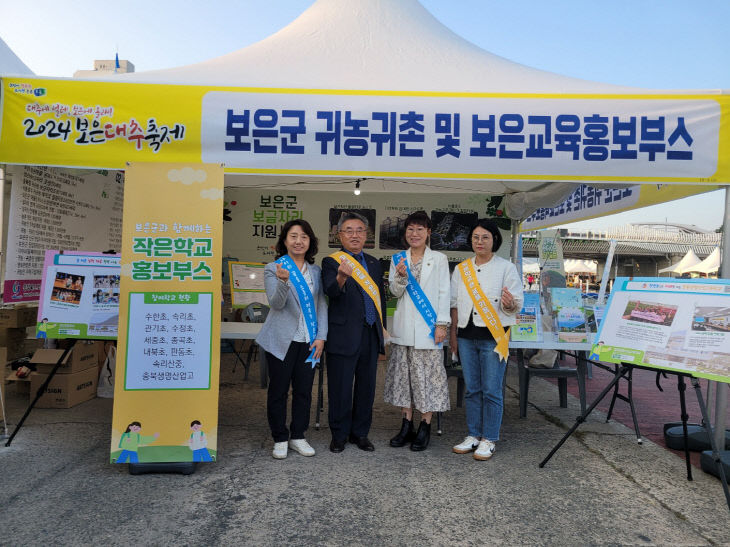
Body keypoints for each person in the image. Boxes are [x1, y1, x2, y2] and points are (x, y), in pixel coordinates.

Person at [449, 219, 523, 461]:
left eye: (485, 237)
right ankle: (473, 435)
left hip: (493, 337)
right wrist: (453, 337)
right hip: (466, 336)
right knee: (472, 389)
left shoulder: (506, 268)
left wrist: (510, 304)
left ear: (495, 241)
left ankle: (489, 438)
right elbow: (454, 305)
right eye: (476, 237)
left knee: (491, 390)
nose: (479, 242)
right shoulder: (461, 270)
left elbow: (516, 304)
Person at [256, 219, 327, 459]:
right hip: (281, 341)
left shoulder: (315, 271)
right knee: (278, 391)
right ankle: (279, 437)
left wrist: (321, 337)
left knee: (304, 391)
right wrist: (284, 282)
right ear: (285, 240)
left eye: (304, 237)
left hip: (309, 341)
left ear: (310, 242)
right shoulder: (273, 268)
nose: (299, 241)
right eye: (294, 236)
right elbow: (275, 304)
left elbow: (321, 306)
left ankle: (298, 435)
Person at [384, 211, 450, 451]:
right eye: (410, 229)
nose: (415, 234)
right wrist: (400, 277)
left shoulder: (439, 259)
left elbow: (444, 292)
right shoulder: (398, 259)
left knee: (427, 380)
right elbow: (395, 292)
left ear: (428, 232)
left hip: (430, 329)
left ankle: (425, 425)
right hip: (404, 329)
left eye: (420, 229)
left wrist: (442, 324)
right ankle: (406, 424)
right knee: (405, 379)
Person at [322, 211, 386, 453]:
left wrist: (383, 333)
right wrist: (341, 277)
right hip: (343, 336)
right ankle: (339, 435)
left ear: (366, 234)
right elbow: (331, 292)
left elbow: (379, 297)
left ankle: (360, 434)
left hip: (370, 334)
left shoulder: (374, 263)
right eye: (349, 230)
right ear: (340, 235)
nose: (355, 235)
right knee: (340, 387)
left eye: (360, 230)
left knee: (367, 388)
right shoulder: (331, 262)